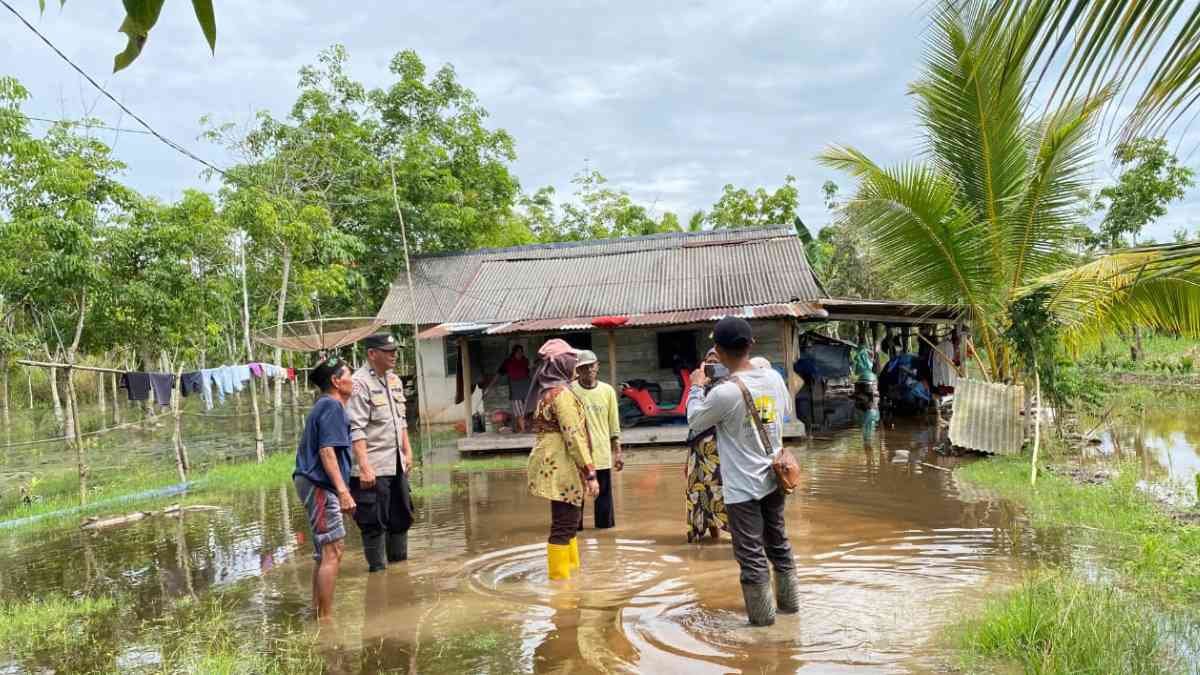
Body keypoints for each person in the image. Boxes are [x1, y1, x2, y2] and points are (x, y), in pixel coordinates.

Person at [687, 317, 798, 627]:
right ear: (751, 344)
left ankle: (762, 628)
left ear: (719, 352)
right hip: (775, 477)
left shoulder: (724, 393)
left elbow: (695, 421)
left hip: (742, 488)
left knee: (751, 557)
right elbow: (785, 412)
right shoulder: (774, 378)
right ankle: (791, 613)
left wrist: (695, 387)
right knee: (779, 544)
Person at [525, 339, 599, 580]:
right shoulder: (562, 395)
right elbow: (573, 436)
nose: (575, 365)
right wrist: (590, 472)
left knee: (568, 521)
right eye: (571, 360)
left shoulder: (545, 393)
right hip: (563, 466)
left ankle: (571, 574)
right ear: (561, 365)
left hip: (553, 464)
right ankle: (560, 584)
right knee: (565, 524)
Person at [292, 355, 356, 620]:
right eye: (349, 375)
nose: (353, 380)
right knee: (333, 550)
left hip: (315, 482)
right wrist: (343, 491)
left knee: (324, 551)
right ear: (336, 381)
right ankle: (325, 621)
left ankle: (317, 611)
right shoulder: (331, 406)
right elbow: (327, 451)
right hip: (320, 484)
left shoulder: (325, 405)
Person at [345, 333, 414, 572]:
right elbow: (356, 428)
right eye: (388, 351)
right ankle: (378, 574)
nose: (394, 355)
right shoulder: (359, 383)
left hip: (396, 463)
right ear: (372, 354)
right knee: (373, 522)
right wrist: (364, 466)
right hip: (374, 466)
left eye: (395, 350)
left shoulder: (394, 380)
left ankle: (400, 574)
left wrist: (408, 451)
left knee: (401, 516)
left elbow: (401, 421)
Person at [571, 349, 623, 529]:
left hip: (601, 452)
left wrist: (618, 453)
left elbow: (614, 425)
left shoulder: (607, 391)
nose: (588, 370)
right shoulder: (570, 391)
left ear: (597, 366)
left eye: (591, 366)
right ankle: (574, 530)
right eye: (584, 367)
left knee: (604, 499)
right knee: (576, 496)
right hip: (578, 453)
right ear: (578, 370)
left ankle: (605, 536)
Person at [685, 348, 729, 543]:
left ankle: (735, 537)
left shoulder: (727, 389)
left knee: (720, 493)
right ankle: (711, 537)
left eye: (716, 362)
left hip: (719, 453)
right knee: (700, 493)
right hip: (698, 453)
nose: (711, 366)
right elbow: (692, 425)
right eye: (708, 362)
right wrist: (688, 460)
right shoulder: (699, 388)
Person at [497, 345, 532, 433]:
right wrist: (491, 384)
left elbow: (528, 373)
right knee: (519, 412)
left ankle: (523, 428)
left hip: (526, 389)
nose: (520, 354)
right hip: (516, 391)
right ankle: (522, 429)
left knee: (528, 410)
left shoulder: (525, 361)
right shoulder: (508, 362)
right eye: (518, 352)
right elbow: (500, 373)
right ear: (514, 353)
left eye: (521, 352)